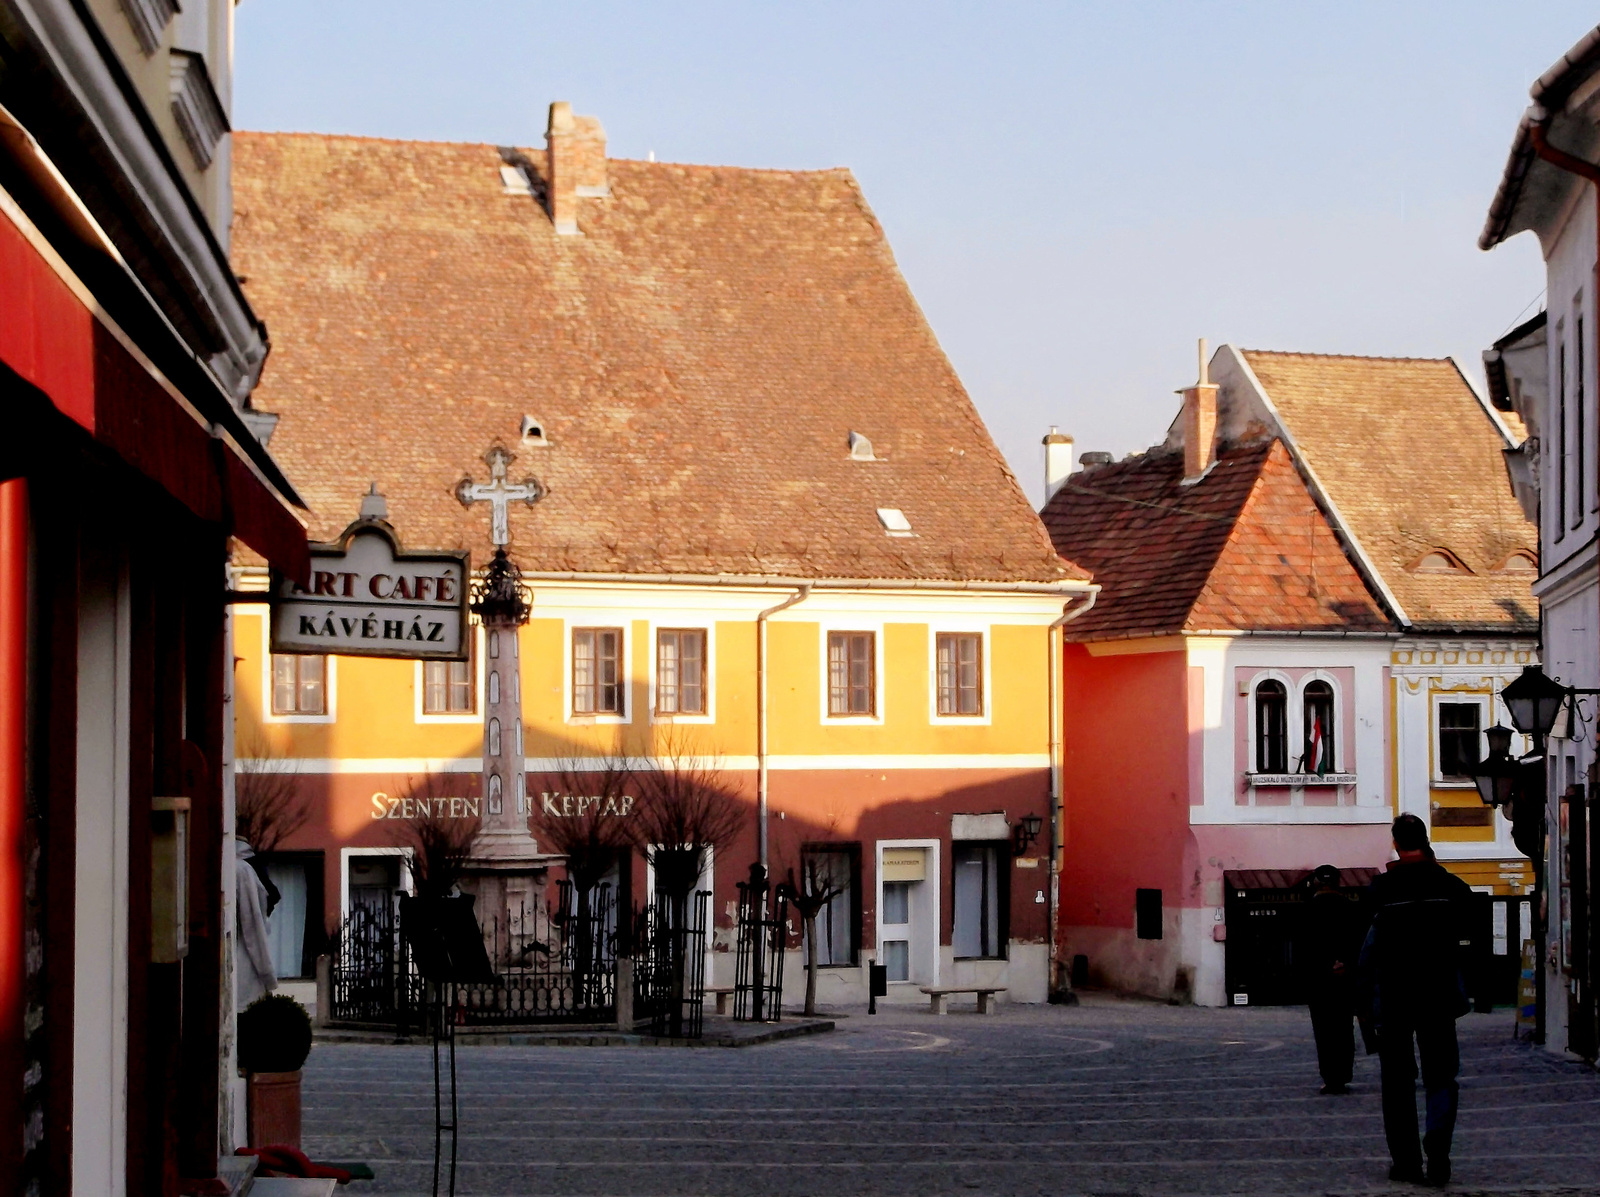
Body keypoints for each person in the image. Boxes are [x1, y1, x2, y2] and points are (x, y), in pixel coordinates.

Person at [1361, 814, 1474, 1188]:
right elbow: (1470, 933)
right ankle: (1438, 1155)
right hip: (1439, 997)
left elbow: (1366, 952)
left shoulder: (1380, 891)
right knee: (1441, 1078)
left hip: (1393, 999)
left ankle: (1407, 1161)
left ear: (1395, 843)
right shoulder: (1450, 887)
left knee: (1397, 1084)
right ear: (1425, 841)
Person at [1300, 864, 1361, 1094]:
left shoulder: (1308, 909)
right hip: (1344, 978)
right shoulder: (1350, 908)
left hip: (1319, 980)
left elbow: (1306, 947)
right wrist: (1343, 963)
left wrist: (1324, 965)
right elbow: (1357, 942)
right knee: (1344, 1027)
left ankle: (1330, 1076)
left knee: (1324, 1030)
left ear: (1317, 882)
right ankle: (1343, 1074)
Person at [235, 836, 279, 1009]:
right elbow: (252, 927)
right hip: (245, 973)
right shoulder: (243, 870)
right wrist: (267, 975)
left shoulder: (240, 868)